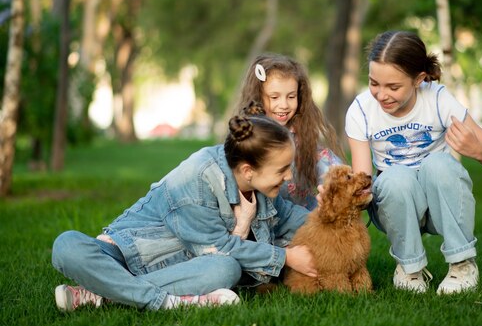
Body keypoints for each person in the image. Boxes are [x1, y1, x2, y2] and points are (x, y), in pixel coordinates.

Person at [51, 104, 317, 311]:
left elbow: (290, 216)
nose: (289, 178)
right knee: (66, 246)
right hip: (126, 256)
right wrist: (285, 258)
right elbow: (221, 247)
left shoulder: (259, 185)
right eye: (282, 170)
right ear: (248, 171)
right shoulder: (197, 178)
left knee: (226, 270)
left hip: (178, 272)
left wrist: (335, 214)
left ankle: (105, 292)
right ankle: (171, 302)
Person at [345, 30, 482, 295]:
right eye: (373, 83)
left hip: (442, 205)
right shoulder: (361, 110)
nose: (381, 94)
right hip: (395, 205)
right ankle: (409, 267)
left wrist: (477, 150)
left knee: (439, 164)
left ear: (419, 80)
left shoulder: (438, 99)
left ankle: (462, 263)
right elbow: (363, 177)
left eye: (393, 87)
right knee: (395, 177)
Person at [236, 53, 345, 210]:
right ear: (258, 96)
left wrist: (338, 184)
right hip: (261, 218)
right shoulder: (248, 135)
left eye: (291, 96)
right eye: (274, 97)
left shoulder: (301, 135)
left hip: (301, 219)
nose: (284, 105)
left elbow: (328, 164)